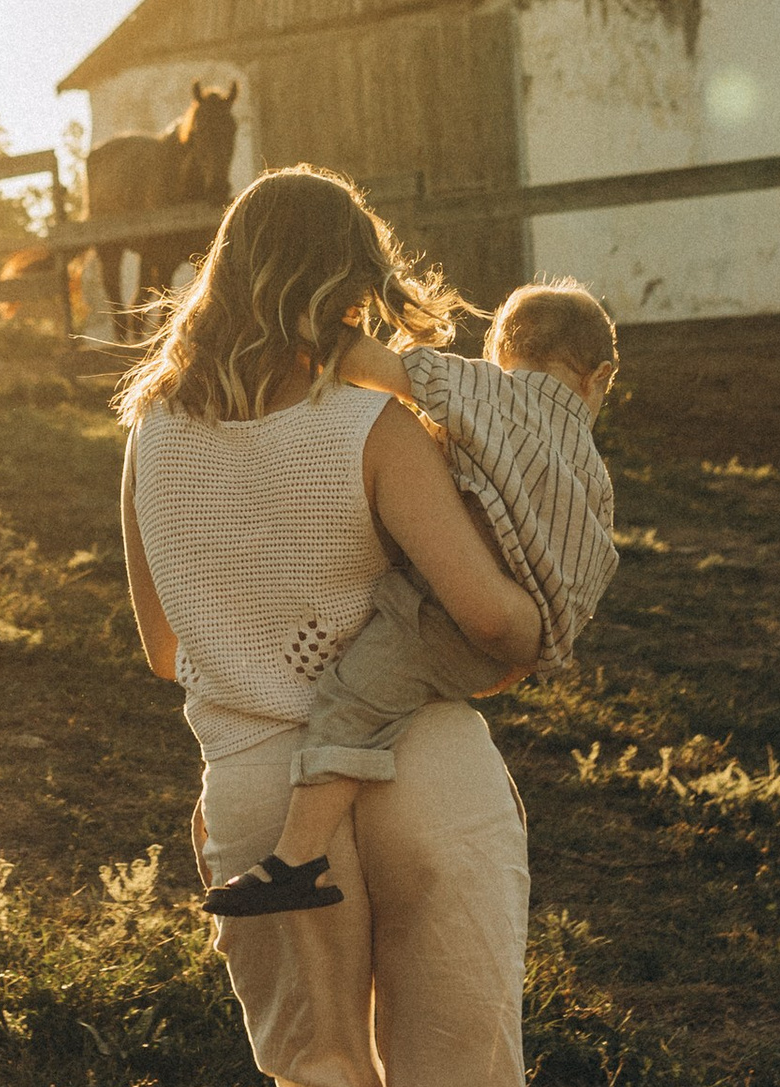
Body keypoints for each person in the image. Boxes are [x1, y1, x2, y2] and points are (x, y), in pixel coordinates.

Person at [118, 165, 549, 1087]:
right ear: (354, 283)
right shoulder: (374, 427)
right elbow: (491, 616)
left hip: (254, 792)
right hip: (419, 774)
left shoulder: (151, 440)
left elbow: (161, 651)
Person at [203, 278, 619, 918]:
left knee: (354, 698)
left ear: (499, 349)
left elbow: (372, 364)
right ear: (599, 376)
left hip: (440, 615)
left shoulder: (484, 389)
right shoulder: (594, 470)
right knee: (403, 692)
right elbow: (592, 563)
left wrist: (300, 323)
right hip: (517, 639)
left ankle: (298, 857)